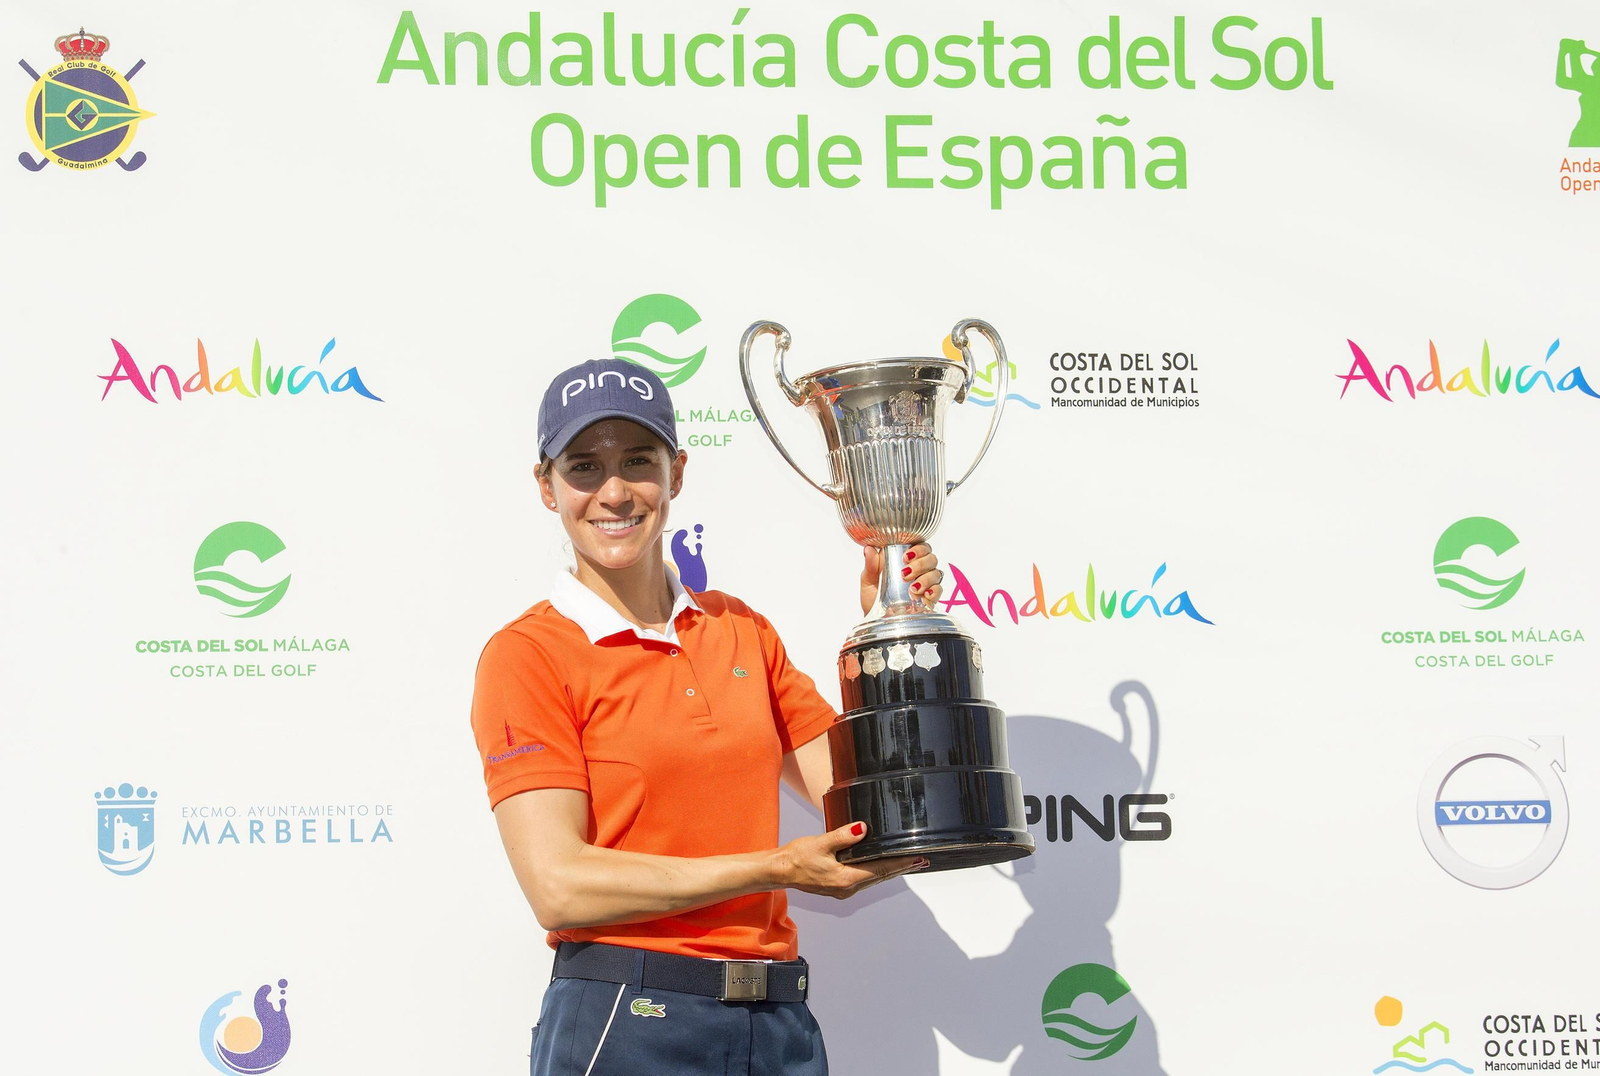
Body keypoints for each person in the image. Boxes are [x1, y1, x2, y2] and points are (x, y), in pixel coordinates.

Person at [471, 358, 947, 1076]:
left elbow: (870, 809)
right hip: (628, 1020)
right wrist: (776, 867)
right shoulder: (528, 654)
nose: (615, 492)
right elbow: (558, 884)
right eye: (584, 467)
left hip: (779, 1025)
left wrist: (892, 625)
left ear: (677, 473)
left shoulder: (741, 630)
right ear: (547, 486)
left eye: (638, 461)